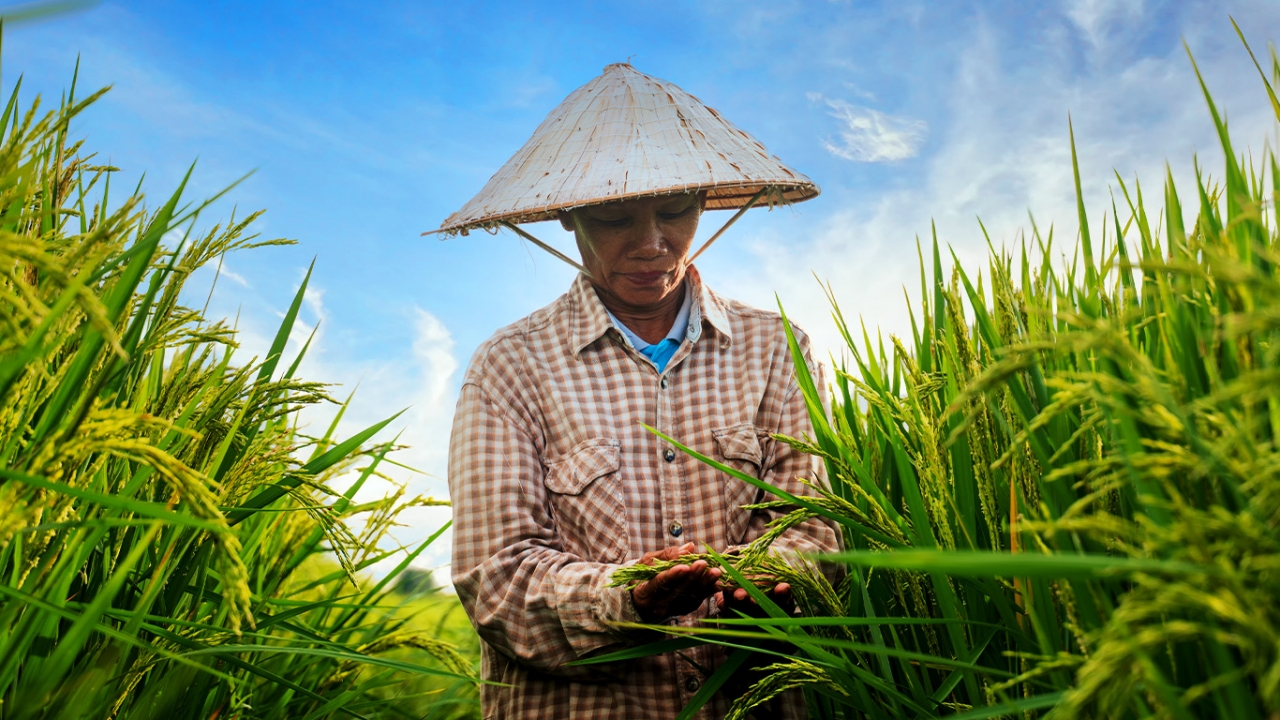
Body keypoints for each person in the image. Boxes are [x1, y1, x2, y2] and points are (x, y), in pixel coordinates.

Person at [439, 63, 840, 719]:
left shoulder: (776, 350)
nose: (652, 243)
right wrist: (626, 597)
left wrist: (772, 582)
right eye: (616, 216)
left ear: (703, 205)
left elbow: (815, 526)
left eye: (676, 211)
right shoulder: (511, 367)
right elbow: (497, 578)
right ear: (570, 218)